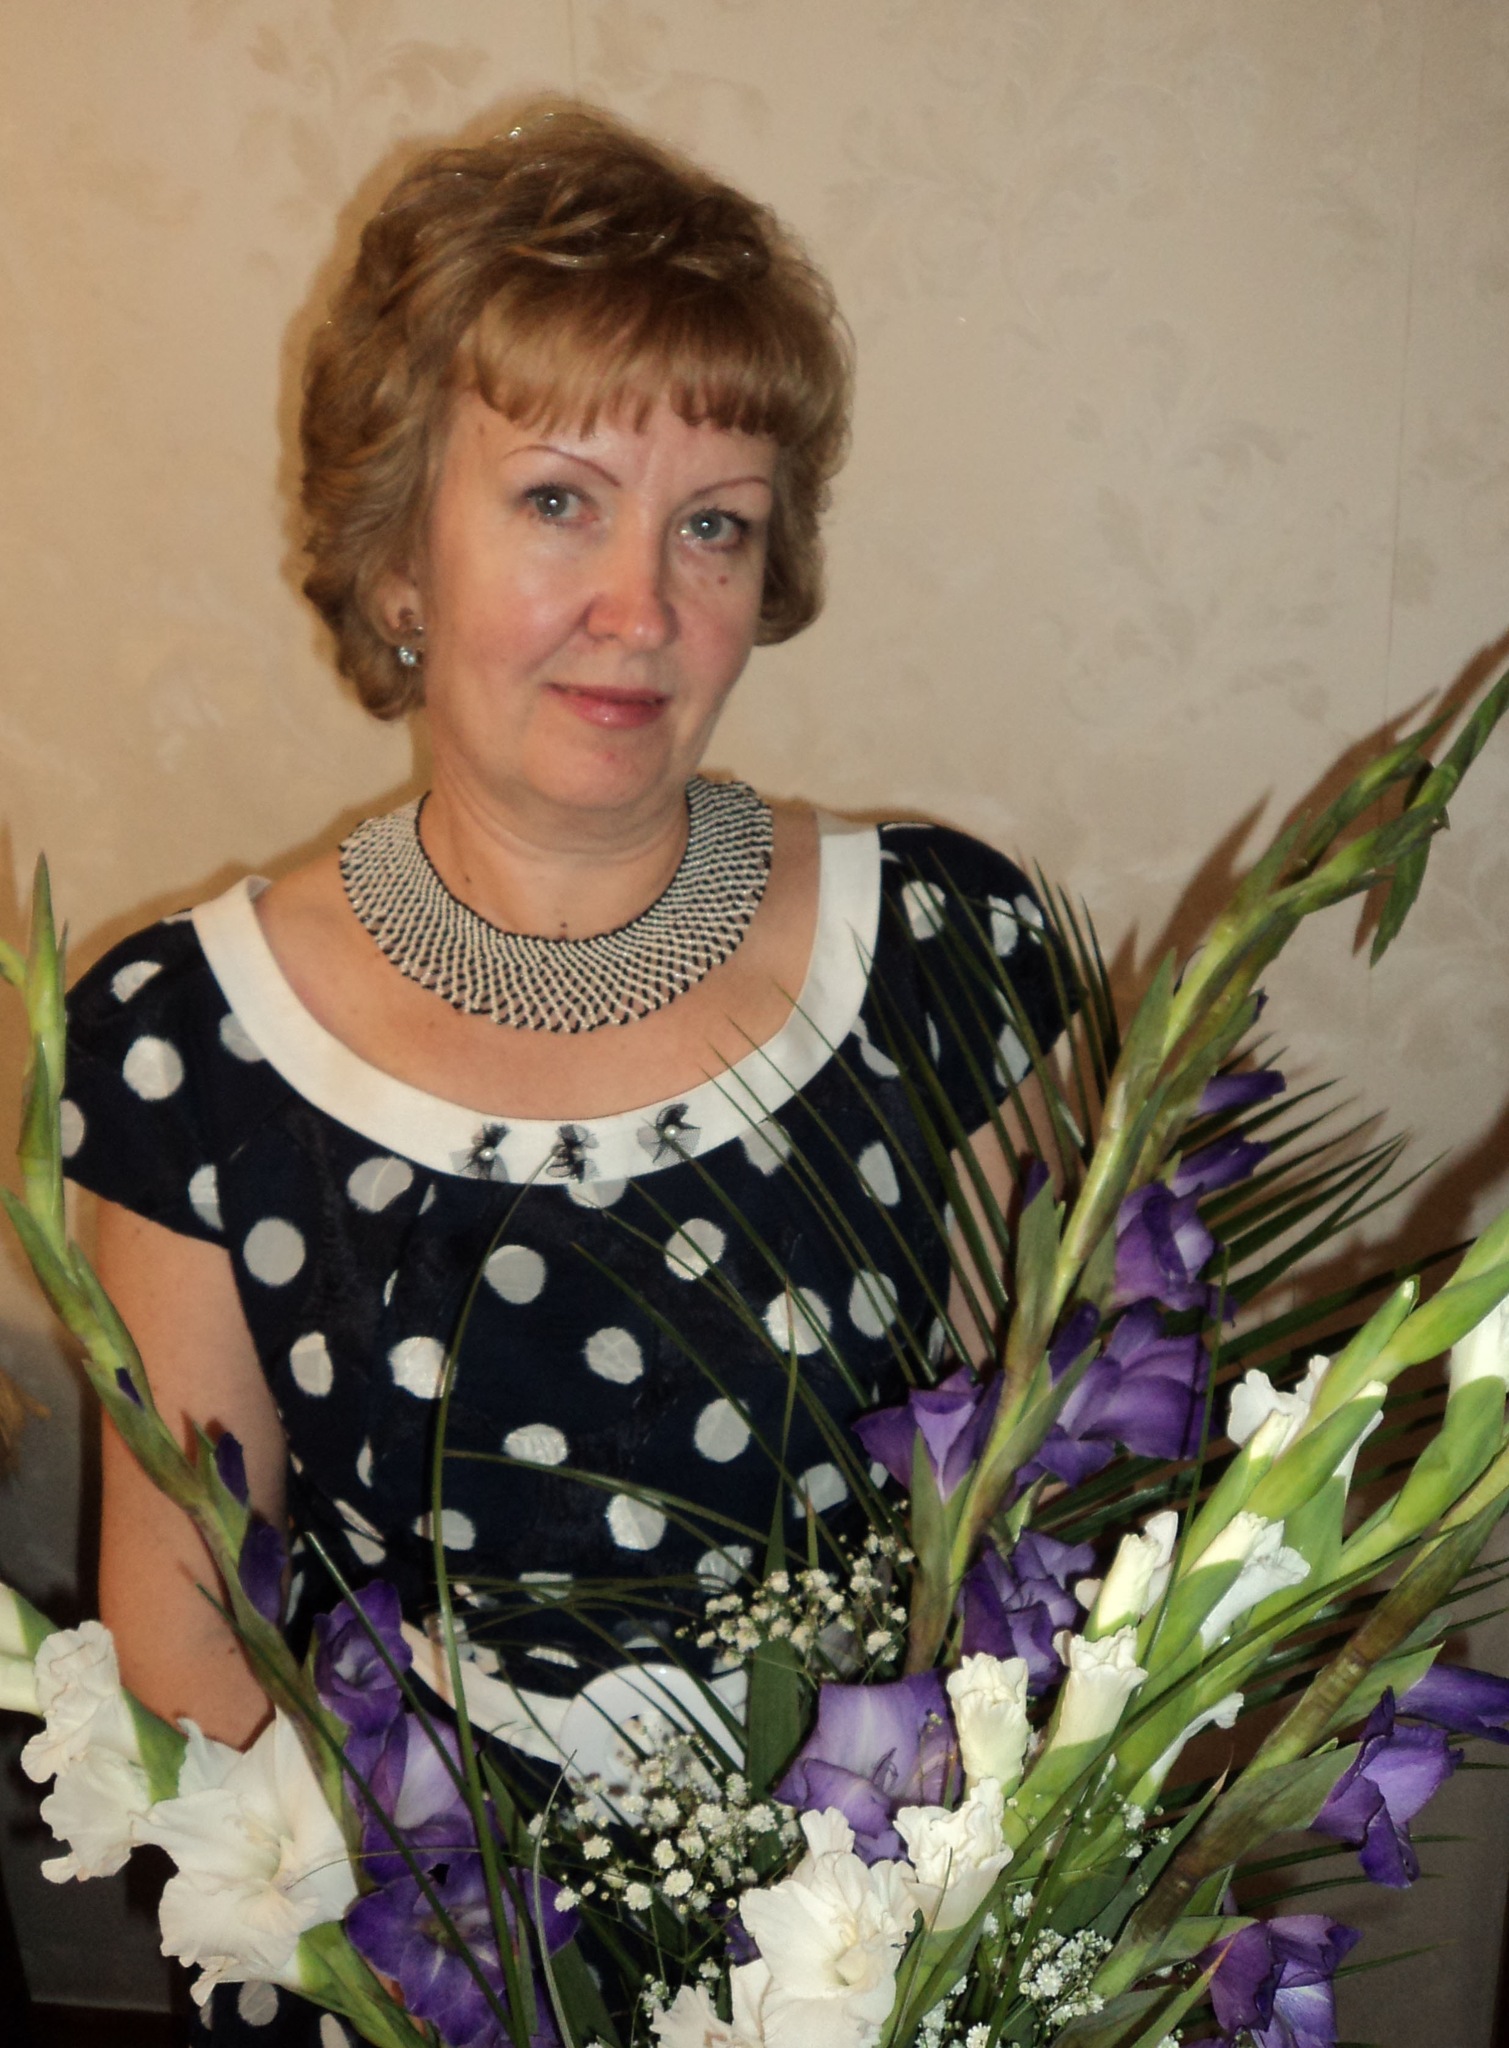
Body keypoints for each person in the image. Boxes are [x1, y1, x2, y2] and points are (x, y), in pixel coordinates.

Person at [60, 99, 1068, 2043]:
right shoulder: (189, 1040)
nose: (642, 608)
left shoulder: (946, 955)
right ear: (397, 559)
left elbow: (1050, 1532)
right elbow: (185, 1652)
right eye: (555, 502)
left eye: (712, 523)